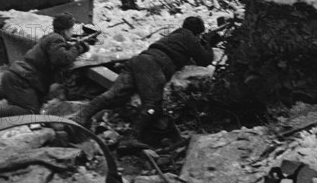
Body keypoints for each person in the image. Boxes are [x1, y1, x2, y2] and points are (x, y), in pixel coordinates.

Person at [72, 16, 220, 149]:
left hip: (138, 60)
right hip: (153, 66)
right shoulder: (189, 37)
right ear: (197, 32)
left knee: (114, 94)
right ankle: (130, 137)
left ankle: (81, 116)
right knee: (153, 104)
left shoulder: (175, 35)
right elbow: (205, 60)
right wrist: (208, 43)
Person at [0, 13, 88, 119]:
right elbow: (62, 59)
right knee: (31, 111)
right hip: (21, 80)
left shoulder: (49, 38)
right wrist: (78, 48)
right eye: (72, 29)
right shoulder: (56, 39)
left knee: (16, 94)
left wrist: (72, 46)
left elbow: (58, 52)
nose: (73, 32)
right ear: (66, 30)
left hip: (15, 75)